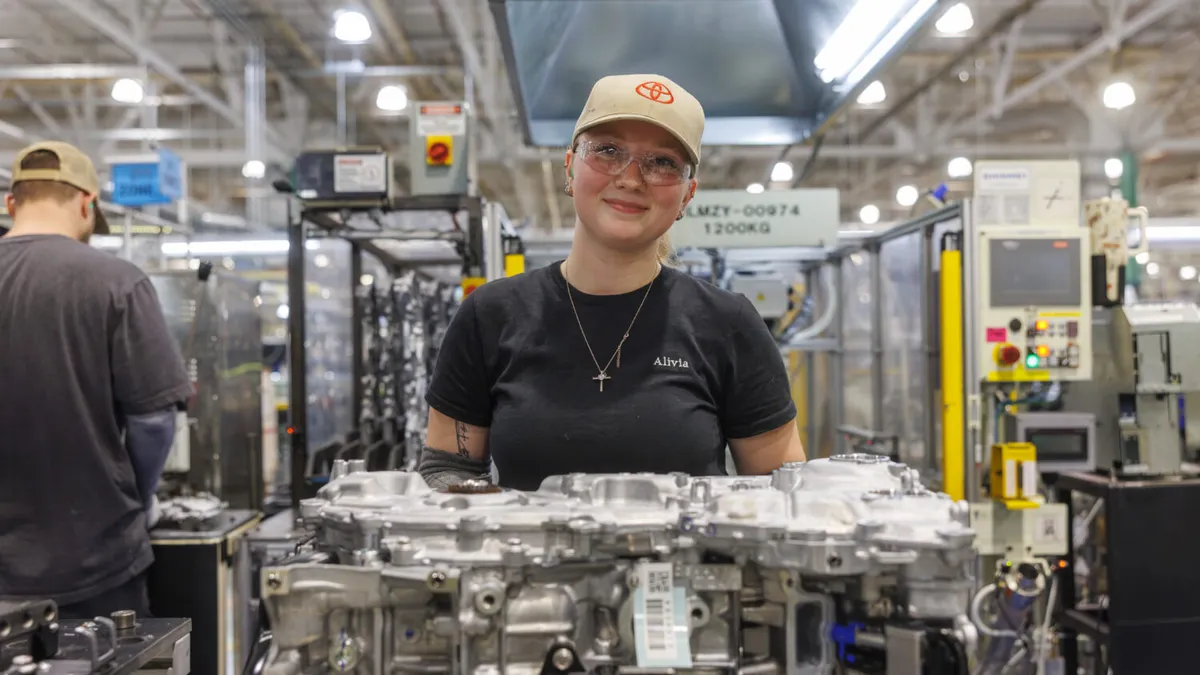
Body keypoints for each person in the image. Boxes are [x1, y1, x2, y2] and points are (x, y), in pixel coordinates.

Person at [419, 74, 806, 491]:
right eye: (607, 151)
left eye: (662, 163)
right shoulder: (490, 316)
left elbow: (782, 489)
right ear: (570, 167)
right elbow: (449, 472)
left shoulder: (728, 323)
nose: (631, 178)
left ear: (687, 196)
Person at [0, 141, 191, 619]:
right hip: (93, 561)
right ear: (87, 204)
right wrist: (136, 499)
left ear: (11, 203)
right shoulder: (117, 282)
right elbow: (153, 421)